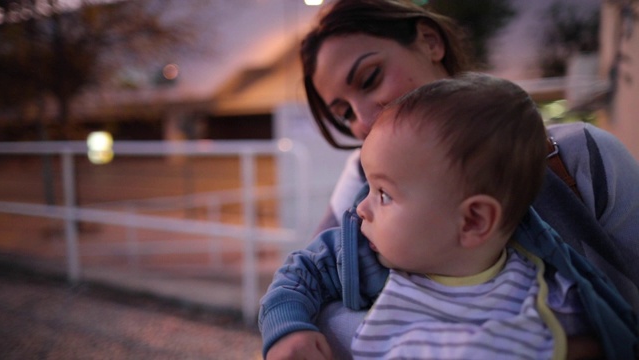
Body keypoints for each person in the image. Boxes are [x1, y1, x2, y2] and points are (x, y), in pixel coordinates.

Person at [262, 0, 639, 357]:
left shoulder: (576, 158)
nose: (362, 118)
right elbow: (306, 280)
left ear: (430, 41)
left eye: (370, 78)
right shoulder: (360, 183)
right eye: (343, 112)